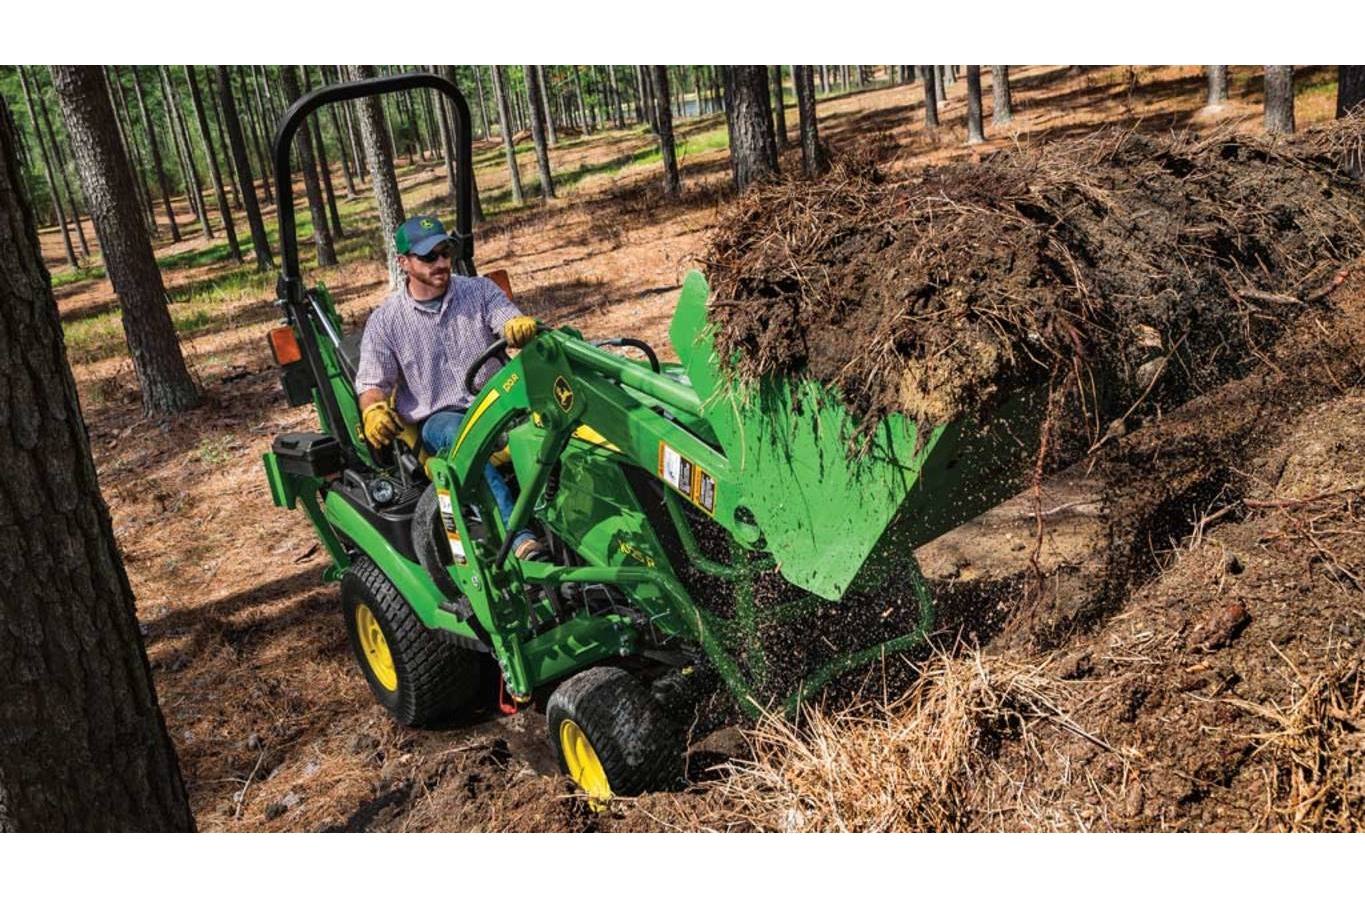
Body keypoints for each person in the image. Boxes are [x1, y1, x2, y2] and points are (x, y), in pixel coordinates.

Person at [355, 215, 543, 560]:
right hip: (441, 419)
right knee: (463, 434)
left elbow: (506, 320)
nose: (441, 263)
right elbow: (371, 383)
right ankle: (518, 538)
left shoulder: (479, 291)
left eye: (445, 253)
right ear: (404, 263)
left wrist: (515, 326)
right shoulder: (386, 322)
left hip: (498, 403)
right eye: (429, 257)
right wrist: (373, 410)